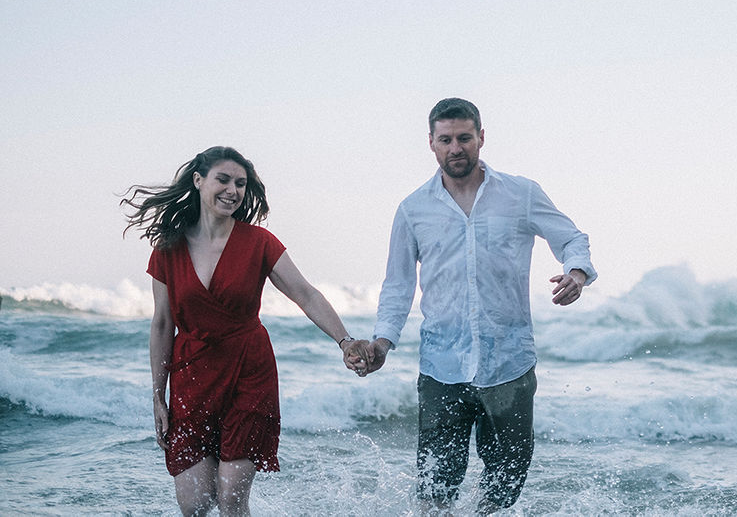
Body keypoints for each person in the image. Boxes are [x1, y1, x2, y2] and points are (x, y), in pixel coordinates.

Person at [347, 98, 596, 514]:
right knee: (434, 486)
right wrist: (383, 344)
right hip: (441, 366)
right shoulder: (413, 210)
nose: (456, 148)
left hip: (509, 363)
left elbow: (572, 238)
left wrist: (577, 274)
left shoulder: (521, 193)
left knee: (506, 479)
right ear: (431, 143)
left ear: (481, 137)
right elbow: (398, 284)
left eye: (464, 137)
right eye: (446, 140)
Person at [123, 146, 367, 517]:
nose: (233, 190)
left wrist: (344, 340)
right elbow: (161, 324)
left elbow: (305, 293)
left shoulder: (259, 242)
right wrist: (158, 395)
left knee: (232, 500)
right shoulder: (169, 247)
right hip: (192, 375)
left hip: (248, 373)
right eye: (224, 179)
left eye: (240, 183)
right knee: (195, 504)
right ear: (198, 180)